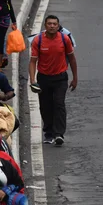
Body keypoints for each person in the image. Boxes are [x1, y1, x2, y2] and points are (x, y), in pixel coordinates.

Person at [29, 15, 78, 146]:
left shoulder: (64, 39)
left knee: (59, 104)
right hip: (44, 78)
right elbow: (33, 61)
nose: (52, 26)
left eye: (54, 24)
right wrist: (33, 80)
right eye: (49, 23)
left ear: (58, 26)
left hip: (60, 78)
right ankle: (48, 133)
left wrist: (75, 78)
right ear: (45, 26)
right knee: (45, 106)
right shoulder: (38, 40)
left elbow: (72, 59)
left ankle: (59, 134)